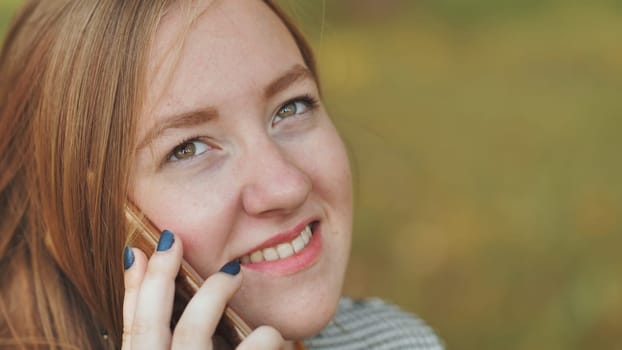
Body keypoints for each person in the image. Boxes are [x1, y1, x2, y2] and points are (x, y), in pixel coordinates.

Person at [0, 0, 444, 349]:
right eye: (187, 148)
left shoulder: (396, 339)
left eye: (291, 107)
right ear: (86, 210)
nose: (286, 186)